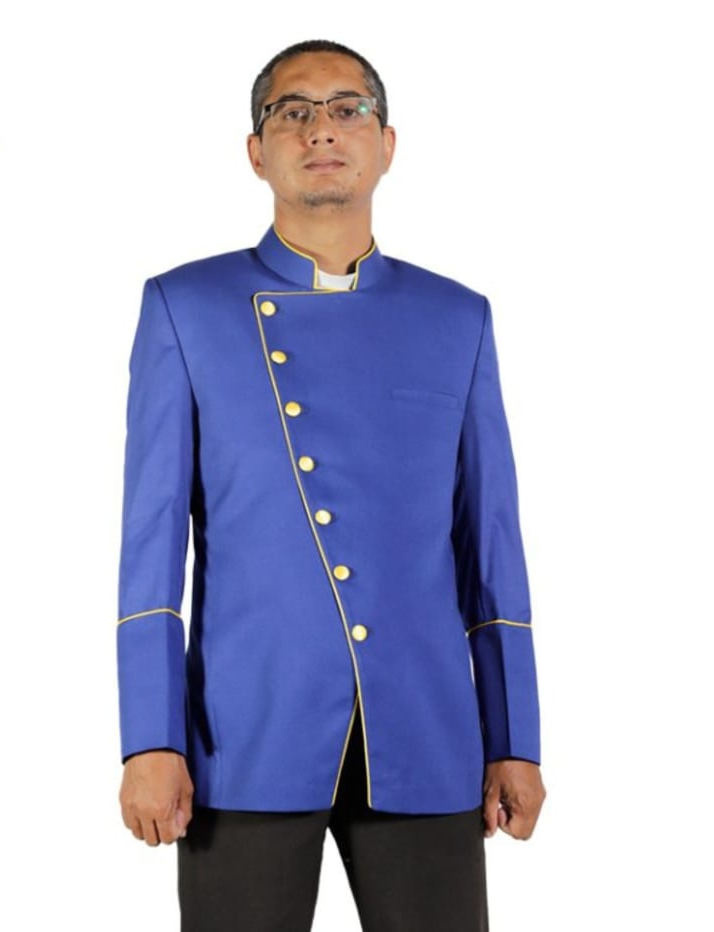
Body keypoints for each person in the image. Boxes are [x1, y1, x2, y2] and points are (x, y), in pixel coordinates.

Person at [116, 38, 546, 932]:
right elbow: (151, 548)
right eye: (294, 111)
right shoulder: (185, 307)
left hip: (425, 730)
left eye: (349, 108)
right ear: (256, 150)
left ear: (386, 144)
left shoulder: (457, 316)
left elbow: (491, 546)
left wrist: (514, 737)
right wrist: (150, 738)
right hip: (246, 732)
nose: (322, 129)